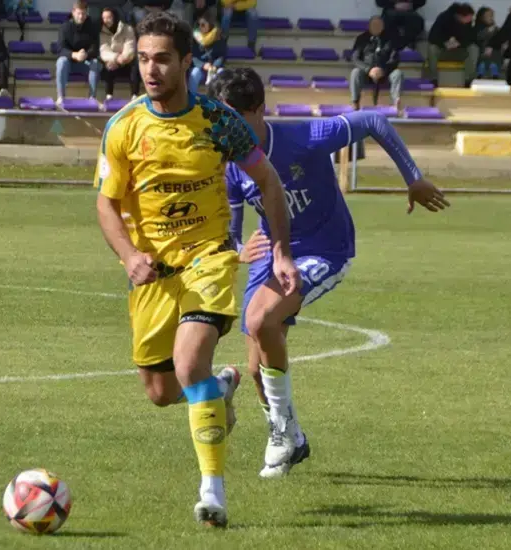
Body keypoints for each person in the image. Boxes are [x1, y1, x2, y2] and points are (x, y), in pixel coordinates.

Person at [93, 11, 299, 528]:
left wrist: (280, 250)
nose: (151, 69)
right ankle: (223, 385)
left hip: (208, 259)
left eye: (162, 58)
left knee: (188, 366)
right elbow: (105, 204)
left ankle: (214, 494)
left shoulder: (217, 121)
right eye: (142, 59)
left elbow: (269, 182)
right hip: (153, 272)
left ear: (188, 61)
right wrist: (129, 256)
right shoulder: (124, 126)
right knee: (162, 393)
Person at [208, 67, 448, 477]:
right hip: (272, 254)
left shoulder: (302, 138)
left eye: (233, 118)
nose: (224, 129)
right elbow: (231, 232)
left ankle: (282, 432)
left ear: (259, 112)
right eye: (218, 118)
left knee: (261, 318)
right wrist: (238, 248)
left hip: (325, 248)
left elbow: (373, 120)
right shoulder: (231, 164)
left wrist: (413, 178)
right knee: (256, 367)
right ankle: (293, 440)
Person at [349, 15, 402, 110]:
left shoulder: (391, 39)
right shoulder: (362, 39)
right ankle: (355, 102)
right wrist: (368, 69)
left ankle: (396, 102)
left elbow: (395, 59)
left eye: (379, 25)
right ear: (369, 26)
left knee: (398, 74)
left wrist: (383, 70)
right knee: (355, 72)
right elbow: (355, 58)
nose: (376, 27)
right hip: (366, 73)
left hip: (385, 73)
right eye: (374, 25)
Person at [56, 1, 101, 106]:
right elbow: (60, 49)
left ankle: (92, 97)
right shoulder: (64, 27)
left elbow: (95, 49)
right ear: (73, 12)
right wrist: (74, 54)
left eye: (84, 14)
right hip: (69, 62)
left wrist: (86, 54)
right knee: (61, 61)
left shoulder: (93, 27)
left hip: (85, 62)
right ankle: (61, 97)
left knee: (95, 63)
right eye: (79, 13)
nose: (81, 16)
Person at [426, 3, 478, 88]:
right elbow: (432, 37)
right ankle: (434, 78)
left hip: (459, 51)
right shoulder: (443, 18)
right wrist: (445, 43)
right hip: (443, 50)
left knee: (474, 48)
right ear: (459, 16)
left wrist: (459, 43)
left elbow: (472, 39)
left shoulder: (469, 24)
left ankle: (468, 80)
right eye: (468, 18)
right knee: (432, 48)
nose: (470, 20)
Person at [99, 7, 140, 100]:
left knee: (135, 66)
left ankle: (134, 95)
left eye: (108, 17)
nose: (106, 20)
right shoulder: (101, 32)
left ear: (115, 17)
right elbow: (103, 50)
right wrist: (116, 58)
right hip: (112, 62)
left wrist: (121, 60)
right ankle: (109, 96)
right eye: (104, 18)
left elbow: (130, 47)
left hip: (125, 62)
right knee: (107, 66)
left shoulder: (128, 29)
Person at [188, 14, 226, 93]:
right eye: (199, 25)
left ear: (210, 25)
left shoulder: (218, 37)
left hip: (215, 67)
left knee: (221, 73)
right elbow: (193, 56)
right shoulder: (195, 38)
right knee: (194, 73)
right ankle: (192, 99)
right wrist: (203, 65)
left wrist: (214, 66)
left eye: (203, 24)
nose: (200, 27)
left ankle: (217, 101)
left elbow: (222, 56)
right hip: (201, 67)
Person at [475, 6, 501, 79]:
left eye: (492, 16)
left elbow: (499, 38)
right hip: (482, 48)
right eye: (488, 16)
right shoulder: (478, 26)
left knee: (495, 56)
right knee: (483, 59)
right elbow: (478, 38)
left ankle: (495, 73)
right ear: (482, 17)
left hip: (494, 49)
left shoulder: (494, 27)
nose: (491, 18)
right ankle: (480, 72)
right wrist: (488, 31)